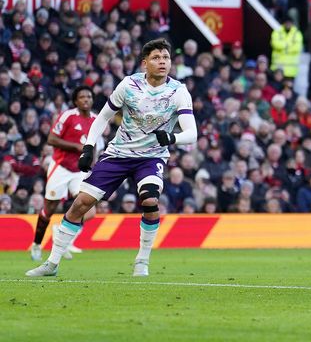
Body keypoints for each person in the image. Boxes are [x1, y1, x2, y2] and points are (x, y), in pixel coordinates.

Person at [26, 38, 197, 278]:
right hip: (118, 153)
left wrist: (172, 138)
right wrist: (88, 147)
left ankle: (142, 261)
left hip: (151, 156)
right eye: (157, 58)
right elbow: (103, 117)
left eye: (166, 58)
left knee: (150, 199)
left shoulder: (178, 91)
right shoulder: (129, 85)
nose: (163, 62)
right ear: (145, 63)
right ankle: (51, 264)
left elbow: (192, 133)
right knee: (81, 204)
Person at [29, 86, 98, 261]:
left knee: (89, 210)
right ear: (76, 101)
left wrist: (94, 162)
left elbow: (95, 144)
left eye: (88, 97)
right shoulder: (68, 116)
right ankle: (36, 244)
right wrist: (75, 146)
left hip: (79, 170)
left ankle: (62, 236)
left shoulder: (96, 120)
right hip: (60, 167)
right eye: (82, 97)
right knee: (49, 209)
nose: (85, 99)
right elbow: (51, 139)